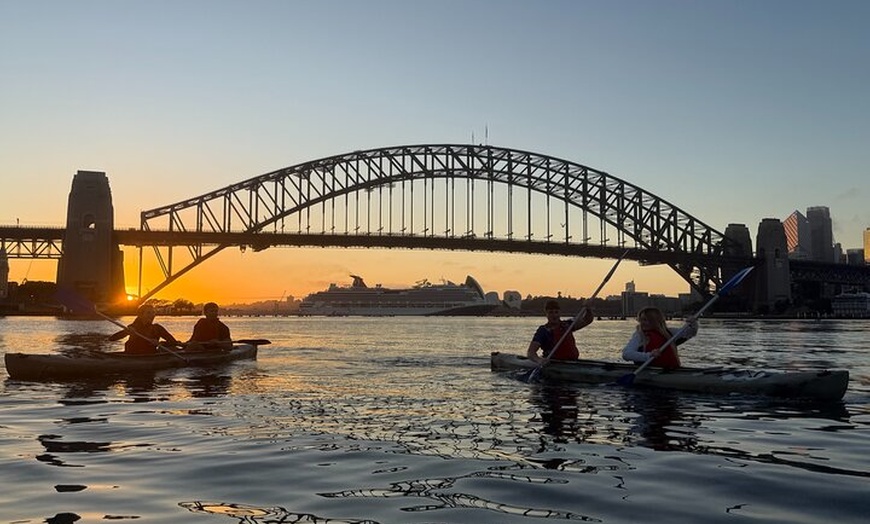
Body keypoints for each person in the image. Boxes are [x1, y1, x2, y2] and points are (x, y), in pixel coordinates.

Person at [621, 307, 699, 370]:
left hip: (670, 370)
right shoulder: (639, 335)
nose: (642, 323)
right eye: (641, 320)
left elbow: (690, 332)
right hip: (649, 370)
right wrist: (649, 355)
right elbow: (626, 354)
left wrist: (693, 324)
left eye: (645, 320)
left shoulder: (669, 332)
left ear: (655, 320)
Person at [526, 300, 594, 364]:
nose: (554, 315)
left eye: (556, 312)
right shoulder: (543, 331)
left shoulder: (568, 325)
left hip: (572, 363)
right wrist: (539, 360)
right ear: (546, 313)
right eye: (551, 312)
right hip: (552, 363)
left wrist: (588, 309)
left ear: (559, 313)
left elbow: (588, 320)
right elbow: (531, 352)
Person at [108, 304, 180, 355]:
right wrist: (126, 332)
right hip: (132, 355)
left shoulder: (157, 328)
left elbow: (173, 342)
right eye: (148, 313)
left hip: (149, 356)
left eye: (153, 312)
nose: (152, 315)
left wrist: (160, 344)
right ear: (140, 315)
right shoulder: (133, 327)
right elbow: (112, 339)